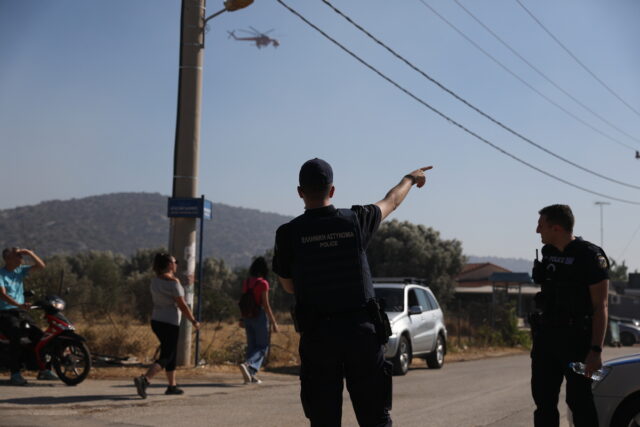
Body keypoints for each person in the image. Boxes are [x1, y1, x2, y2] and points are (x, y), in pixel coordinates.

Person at [272, 158, 432, 426]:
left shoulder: (288, 234)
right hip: (362, 335)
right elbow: (391, 201)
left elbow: (289, 286)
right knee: (375, 419)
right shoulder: (355, 220)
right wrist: (410, 179)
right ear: (332, 190)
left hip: (318, 337)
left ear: (300, 191)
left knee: (324, 419)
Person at [530, 204, 609, 427]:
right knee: (543, 402)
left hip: (577, 342)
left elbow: (600, 306)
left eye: (541, 225)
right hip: (546, 339)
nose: (537, 230)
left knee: (579, 401)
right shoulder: (549, 253)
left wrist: (595, 351)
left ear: (556, 228)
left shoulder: (590, 256)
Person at [134, 253, 200, 398]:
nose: (177, 264)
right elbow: (182, 305)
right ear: (170, 264)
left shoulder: (155, 281)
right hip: (170, 323)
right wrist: (194, 320)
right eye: (175, 261)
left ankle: (172, 386)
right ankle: (145, 379)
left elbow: (169, 292)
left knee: (171, 353)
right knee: (167, 355)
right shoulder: (174, 283)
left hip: (156, 321)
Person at [0, 247, 57, 385]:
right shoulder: (1, 274)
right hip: (5, 313)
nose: (21, 258)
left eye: (21, 256)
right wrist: (18, 305)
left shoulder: (20, 270)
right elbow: (2, 295)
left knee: (39, 336)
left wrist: (29, 253)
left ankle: (44, 370)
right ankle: (15, 373)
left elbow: (41, 266)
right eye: (18, 256)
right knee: (16, 335)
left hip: (21, 312)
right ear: (8, 259)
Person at [238, 256, 280, 384]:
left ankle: (250, 374)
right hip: (259, 316)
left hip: (247, 317)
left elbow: (243, 301)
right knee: (262, 346)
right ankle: (248, 364)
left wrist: (241, 318)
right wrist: (274, 322)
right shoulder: (263, 283)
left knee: (252, 346)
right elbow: (266, 305)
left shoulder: (246, 282)